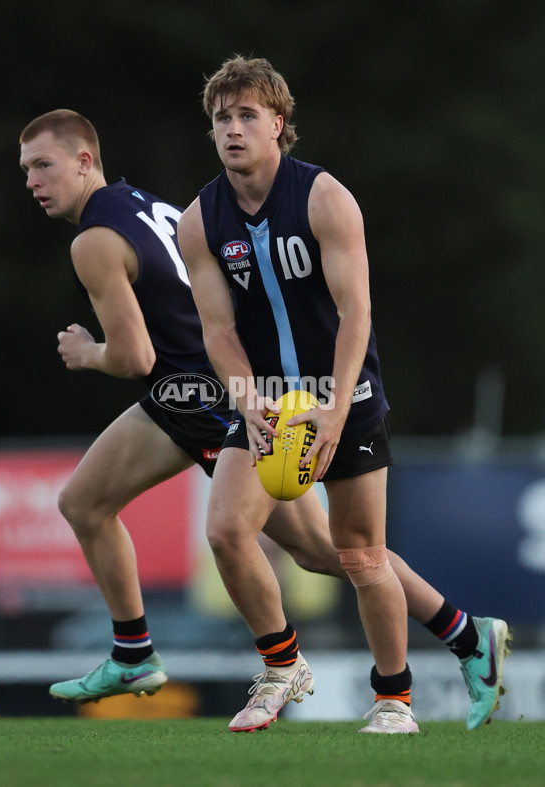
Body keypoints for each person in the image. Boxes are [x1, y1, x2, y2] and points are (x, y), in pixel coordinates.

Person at [19, 109, 510, 731]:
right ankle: (135, 652)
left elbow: (134, 355)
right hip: (203, 390)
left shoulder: (91, 240)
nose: (34, 181)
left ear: (85, 161)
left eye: (44, 165)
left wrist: (86, 353)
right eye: (26, 170)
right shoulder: (139, 202)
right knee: (91, 504)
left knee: (331, 552)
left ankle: (401, 652)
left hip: (202, 395)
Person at [177, 55, 512, 733]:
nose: (233, 129)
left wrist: (333, 406)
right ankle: (282, 665)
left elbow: (356, 311)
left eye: (247, 116)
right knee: (226, 530)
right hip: (266, 396)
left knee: (358, 553)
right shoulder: (199, 220)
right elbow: (217, 328)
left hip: (346, 392)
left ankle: (396, 699)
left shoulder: (324, 197)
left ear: (278, 124)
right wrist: (246, 397)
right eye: (222, 118)